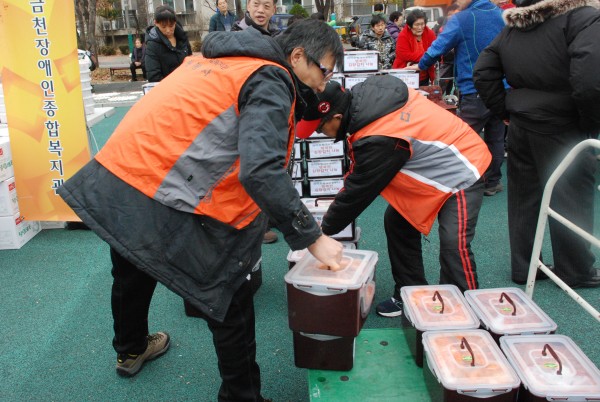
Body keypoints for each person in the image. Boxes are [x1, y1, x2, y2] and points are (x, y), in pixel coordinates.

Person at [57, 19, 344, 401]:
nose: (322, 84)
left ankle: (130, 347)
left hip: (120, 174)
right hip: (169, 192)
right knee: (230, 299)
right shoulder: (271, 77)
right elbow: (260, 170)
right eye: (323, 70)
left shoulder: (212, 57)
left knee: (131, 264)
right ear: (296, 55)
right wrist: (313, 237)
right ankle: (242, 396)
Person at [296, 76, 490, 318]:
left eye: (320, 128)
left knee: (453, 243)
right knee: (397, 223)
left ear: (336, 117)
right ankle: (410, 293)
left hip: (462, 168)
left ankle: (468, 311)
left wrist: (321, 233)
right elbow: (359, 173)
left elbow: (359, 190)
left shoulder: (377, 136)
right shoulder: (361, 99)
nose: (321, 133)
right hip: (427, 171)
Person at [473, 0, 600, 288]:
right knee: (571, 197)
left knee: (523, 198)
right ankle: (576, 269)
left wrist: (505, 110)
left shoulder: (516, 27)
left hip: (521, 121)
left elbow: (483, 70)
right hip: (563, 121)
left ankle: (525, 266)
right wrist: (589, 120)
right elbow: (590, 77)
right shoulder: (583, 17)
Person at [414, 0, 507, 197]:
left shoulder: (462, 19)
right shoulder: (501, 14)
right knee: (496, 137)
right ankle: (492, 181)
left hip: (475, 88)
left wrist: (421, 65)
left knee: (464, 138)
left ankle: (465, 182)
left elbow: (439, 46)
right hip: (502, 87)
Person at [145, 5, 192, 82]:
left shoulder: (182, 37)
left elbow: (190, 62)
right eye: (163, 27)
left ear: (175, 22)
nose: (168, 30)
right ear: (156, 23)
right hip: (166, 88)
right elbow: (153, 75)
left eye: (171, 26)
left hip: (186, 85)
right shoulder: (152, 44)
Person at [392, 9, 436, 86]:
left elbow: (435, 51)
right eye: (417, 24)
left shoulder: (430, 33)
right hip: (405, 75)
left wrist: (430, 56)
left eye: (422, 24)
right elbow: (404, 55)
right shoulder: (403, 35)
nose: (420, 27)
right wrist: (427, 56)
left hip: (424, 76)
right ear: (409, 26)